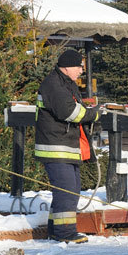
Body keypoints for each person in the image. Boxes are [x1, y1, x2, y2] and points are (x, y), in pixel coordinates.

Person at [35, 49, 102, 244]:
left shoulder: (66, 84)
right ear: (67, 67)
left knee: (70, 188)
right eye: (79, 66)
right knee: (67, 190)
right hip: (56, 147)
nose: (82, 70)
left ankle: (55, 230)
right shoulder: (53, 85)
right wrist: (94, 114)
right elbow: (71, 113)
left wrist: (90, 112)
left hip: (65, 146)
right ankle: (65, 233)